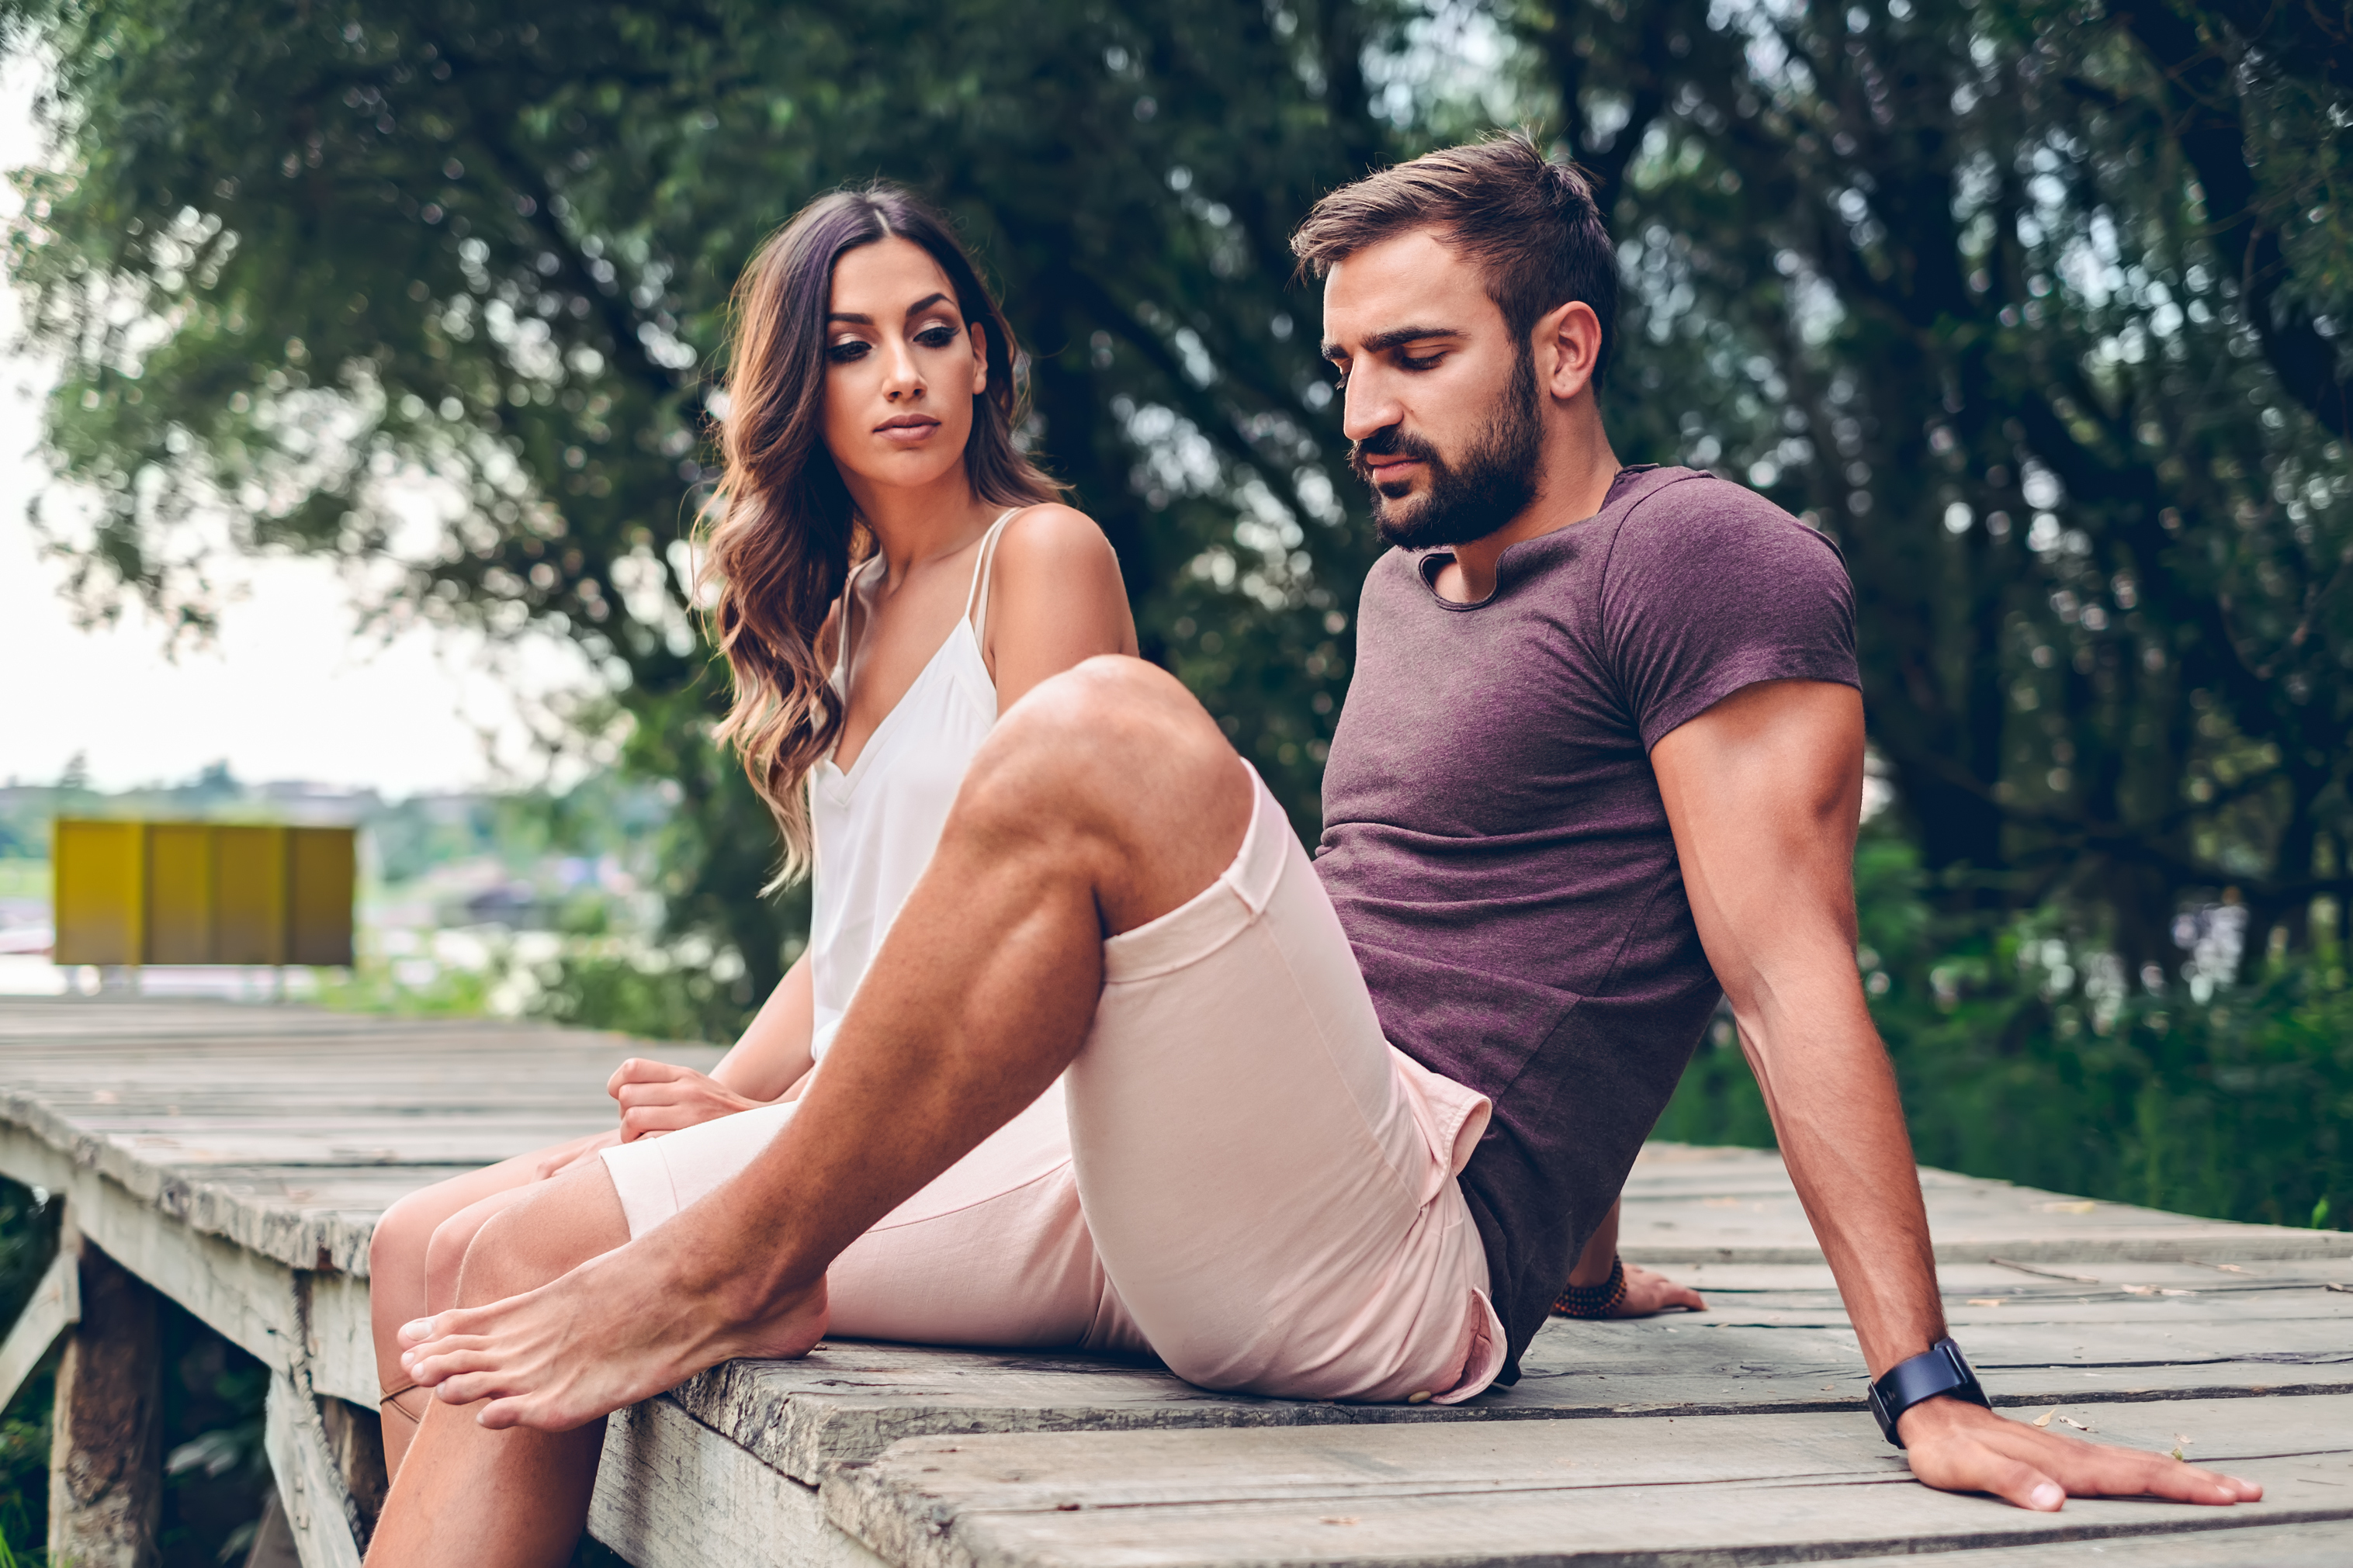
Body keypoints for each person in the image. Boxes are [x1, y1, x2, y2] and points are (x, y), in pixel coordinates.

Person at [366, 138, 2261, 1566]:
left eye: (1417, 355)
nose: (1365, 408)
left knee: (1103, 730)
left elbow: (1772, 967)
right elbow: (1525, 939)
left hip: (1391, 1264)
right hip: (1225, 1185)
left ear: (1567, 344)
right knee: (478, 1247)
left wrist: (1922, 1390)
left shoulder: (1703, 557)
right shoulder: (1404, 590)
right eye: (1348, 363)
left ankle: (732, 1264)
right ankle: (726, 1255)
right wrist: (1592, 1247)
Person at [364, 179, 1142, 1476]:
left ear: (983, 354)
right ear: (799, 388)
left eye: (932, 330)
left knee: (497, 1253)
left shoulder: (1044, 559)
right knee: (409, 1242)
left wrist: (784, 1115)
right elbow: (862, 934)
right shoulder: (839, 618)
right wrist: (718, 1102)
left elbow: (1049, 939)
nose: (903, 375)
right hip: (846, 1111)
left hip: (993, 1135)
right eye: (851, 347)